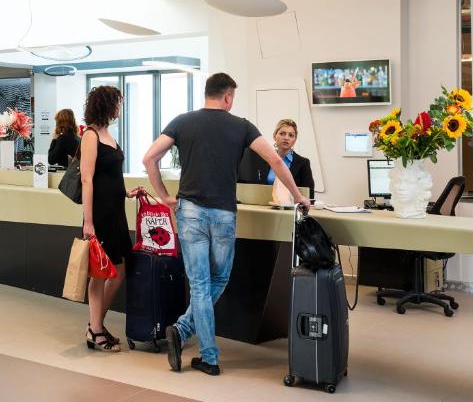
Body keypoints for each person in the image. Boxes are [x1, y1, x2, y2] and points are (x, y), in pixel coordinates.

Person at [142, 73, 310, 375]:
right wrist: (298, 196)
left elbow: (149, 158)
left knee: (202, 285)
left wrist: (164, 196)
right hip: (223, 214)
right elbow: (275, 160)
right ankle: (208, 355)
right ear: (228, 97)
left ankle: (181, 331)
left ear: (207, 93)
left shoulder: (183, 121)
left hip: (190, 211)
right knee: (215, 281)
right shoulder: (242, 126)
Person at [80, 86, 147, 352]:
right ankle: (95, 329)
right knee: (99, 273)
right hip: (99, 214)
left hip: (116, 211)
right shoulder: (90, 135)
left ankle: (95, 324)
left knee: (119, 272)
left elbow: (111, 178)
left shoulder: (109, 136)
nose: (120, 107)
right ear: (107, 105)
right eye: (118, 102)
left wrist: (128, 192)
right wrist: (88, 222)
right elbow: (87, 179)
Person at [239, 119, 315, 199]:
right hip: (265, 204)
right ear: (275, 136)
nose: (286, 138)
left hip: (291, 208)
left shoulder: (303, 163)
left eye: (291, 135)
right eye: (282, 134)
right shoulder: (264, 158)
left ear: (295, 140)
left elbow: (309, 194)